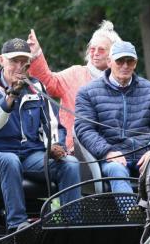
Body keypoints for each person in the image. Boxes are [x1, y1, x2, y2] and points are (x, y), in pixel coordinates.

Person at [0, 38, 81, 232]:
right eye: (14, 61)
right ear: (1, 60)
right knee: (10, 161)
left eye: (24, 63)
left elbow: (53, 124)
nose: (20, 67)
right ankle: (18, 225)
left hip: (29, 154)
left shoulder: (36, 87)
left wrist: (57, 145)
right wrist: (11, 96)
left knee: (70, 164)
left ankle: (72, 226)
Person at [75, 41, 150, 193]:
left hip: (146, 155)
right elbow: (84, 129)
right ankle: (130, 214)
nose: (125, 66)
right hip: (111, 157)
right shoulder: (87, 92)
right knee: (117, 170)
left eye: (130, 61)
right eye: (120, 61)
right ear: (109, 62)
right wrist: (108, 152)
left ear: (135, 63)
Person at [27, 20, 122, 152]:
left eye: (101, 50)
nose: (95, 53)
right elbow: (48, 83)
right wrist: (36, 54)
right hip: (75, 149)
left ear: (114, 53)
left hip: (115, 150)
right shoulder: (75, 73)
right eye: (92, 49)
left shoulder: (122, 80)